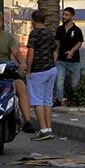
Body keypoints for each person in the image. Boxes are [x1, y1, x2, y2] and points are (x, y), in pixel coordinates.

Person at [26, 10, 58, 141]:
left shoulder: (34, 34)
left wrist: (28, 70)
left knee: (37, 100)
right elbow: (55, 51)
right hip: (51, 69)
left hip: (38, 71)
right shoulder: (50, 33)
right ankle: (49, 128)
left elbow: (31, 53)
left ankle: (43, 129)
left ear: (33, 21)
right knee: (47, 100)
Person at [54, 7, 84, 106]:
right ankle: (59, 100)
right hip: (61, 60)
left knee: (75, 83)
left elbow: (79, 43)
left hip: (74, 61)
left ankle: (75, 101)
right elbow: (57, 42)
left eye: (66, 15)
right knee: (59, 80)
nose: (64, 17)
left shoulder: (77, 30)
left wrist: (72, 51)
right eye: (63, 15)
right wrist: (56, 53)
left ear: (71, 16)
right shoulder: (60, 29)